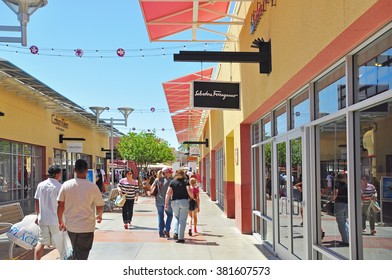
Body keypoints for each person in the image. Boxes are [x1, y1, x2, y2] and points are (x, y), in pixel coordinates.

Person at [57, 159, 104, 260]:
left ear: (74, 170)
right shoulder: (93, 187)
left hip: (71, 226)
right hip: (87, 226)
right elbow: (99, 205)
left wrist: (60, 220)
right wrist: (99, 216)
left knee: (75, 250)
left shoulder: (66, 185)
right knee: (83, 253)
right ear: (87, 171)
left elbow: (60, 204)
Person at [34, 164, 62, 260]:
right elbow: (61, 205)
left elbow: (37, 201)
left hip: (43, 219)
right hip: (55, 220)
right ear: (58, 174)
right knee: (60, 244)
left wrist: (37, 215)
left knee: (41, 242)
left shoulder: (40, 185)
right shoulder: (59, 187)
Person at [165, 169, 194, 243]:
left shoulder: (172, 182)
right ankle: (180, 238)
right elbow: (188, 190)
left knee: (176, 217)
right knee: (182, 220)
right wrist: (192, 197)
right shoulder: (186, 181)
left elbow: (168, 193)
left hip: (174, 202)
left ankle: (176, 232)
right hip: (184, 202)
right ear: (183, 174)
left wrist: (166, 203)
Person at [153, 167, 173, 238]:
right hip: (168, 201)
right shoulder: (171, 181)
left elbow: (152, 188)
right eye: (170, 172)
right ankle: (166, 229)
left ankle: (161, 233)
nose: (171, 173)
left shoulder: (157, 179)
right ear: (166, 173)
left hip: (158, 201)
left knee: (160, 216)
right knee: (170, 215)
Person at [332, 173, 349, 246]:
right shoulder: (347, 184)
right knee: (345, 221)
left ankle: (346, 241)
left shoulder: (337, 184)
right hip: (347, 204)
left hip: (340, 204)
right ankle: (349, 238)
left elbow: (335, 193)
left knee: (341, 223)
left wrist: (331, 198)